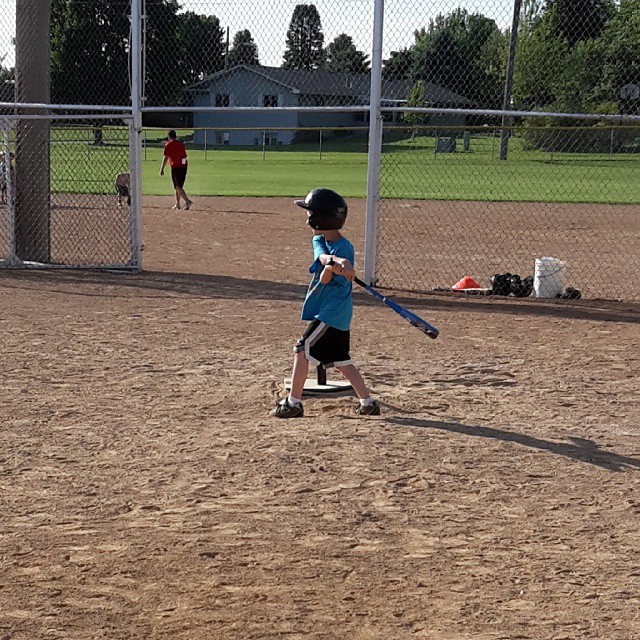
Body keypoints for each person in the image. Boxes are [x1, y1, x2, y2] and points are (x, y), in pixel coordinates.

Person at [271, 188, 380, 419]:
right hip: (333, 313)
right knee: (341, 360)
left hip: (333, 313)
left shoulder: (345, 247)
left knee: (301, 349)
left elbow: (331, 274)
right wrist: (337, 264)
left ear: (319, 219)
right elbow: (322, 261)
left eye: (310, 213)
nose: (307, 217)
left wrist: (342, 267)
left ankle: (293, 403)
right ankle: (368, 402)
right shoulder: (319, 240)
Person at [160, 130, 193, 210]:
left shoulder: (168, 144)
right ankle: (177, 204)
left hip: (176, 167)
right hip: (183, 166)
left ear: (169, 136)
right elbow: (184, 156)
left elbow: (166, 157)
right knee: (178, 186)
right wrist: (184, 166)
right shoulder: (180, 144)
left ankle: (187, 201)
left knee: (178, 187)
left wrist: (162, 169)